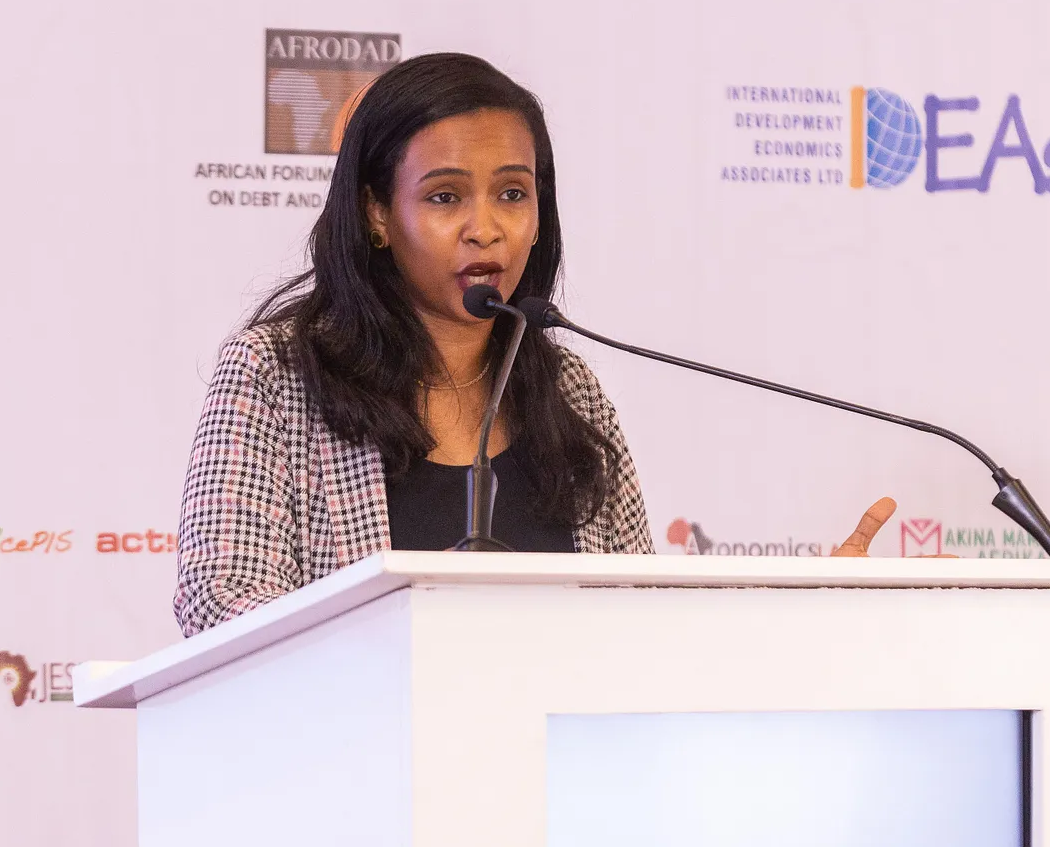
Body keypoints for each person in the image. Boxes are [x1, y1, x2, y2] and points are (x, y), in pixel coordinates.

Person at [172, 52, 900, 638]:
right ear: (377, 214)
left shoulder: (567, 387)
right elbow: (219, 598)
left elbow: (641, 627)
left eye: (512, 194)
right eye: (445, 196)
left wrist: (803, 614)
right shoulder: (278, 375)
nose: (485, 228)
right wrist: (415, 647)